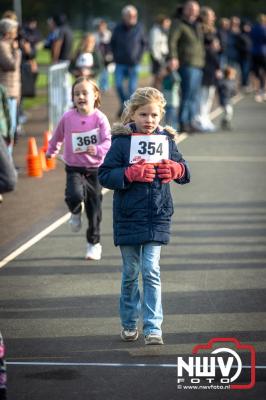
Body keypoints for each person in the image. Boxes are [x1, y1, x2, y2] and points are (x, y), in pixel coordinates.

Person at [98, 87, 190, 345]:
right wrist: (128, 174)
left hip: (157, 214)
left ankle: (152, 327)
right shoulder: (122, 142)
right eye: (143, 114)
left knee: (150, 269)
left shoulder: (167, 140)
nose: (148, 120)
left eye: (154, 115)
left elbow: (186, 173)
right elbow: (104, 174)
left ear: (161, 115)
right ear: (132, 114)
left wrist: (176, 169)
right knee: (130, 272)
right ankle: (129, 323)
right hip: (128, 216)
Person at [46, 77, 111, 260]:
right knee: (74, 195)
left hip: (95, 169)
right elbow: (57, 135)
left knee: (94, 208)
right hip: (74, 167)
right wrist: (51, 150)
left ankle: (93, 243)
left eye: (85, 93)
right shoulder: (68, 117)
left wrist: (97, 149)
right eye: (76, 94)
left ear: (95, 95)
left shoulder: (100, 118)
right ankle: (75, 211)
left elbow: (108, 141)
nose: (80, 96)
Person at [168, 0, 205, 133]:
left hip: (198, 63)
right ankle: (183, 122)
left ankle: (191, 120)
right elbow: (172, 41)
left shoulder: (198, 24)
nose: (193, 11)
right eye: (190, 8)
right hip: (187, 63)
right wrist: (173, 57)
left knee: (194, 95)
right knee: (186, 94)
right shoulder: (179, 23)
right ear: (184, 9)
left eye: (195, 9)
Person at [111, 5, 146, 116]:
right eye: (130, 15)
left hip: (133, 64)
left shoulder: (140, 28)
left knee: (132, 89)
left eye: (134, 15)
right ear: (124, 16)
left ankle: (127, 110)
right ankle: (125, 104)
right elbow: (112, 43)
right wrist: (114, 56)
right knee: (118, 85)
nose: (132, 17)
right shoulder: (117, 28)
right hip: (120, 63)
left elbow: (145, 44)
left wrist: (139, 57)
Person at [0, 18, 21, 156]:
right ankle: (7, 161)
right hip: (6, 90)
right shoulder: (2, 46)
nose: (16, 33)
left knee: (12, 127)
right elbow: (11, 66)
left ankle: (9, 159)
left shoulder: (7, 45)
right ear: (8, 31)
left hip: (13, 90)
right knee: (8, 128)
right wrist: (17, 52)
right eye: (14, 30)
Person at [149, 14, 171, 88]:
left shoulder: (164, 31)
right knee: (158, 77)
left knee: (161, 77)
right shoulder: (155, 31)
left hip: (163, 56)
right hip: (158, 58)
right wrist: (158, 59)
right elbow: (154, 45)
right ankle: (154, 93)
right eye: (166, 22)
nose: (168, 24)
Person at [95, 20, 113, 92]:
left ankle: (105, 86)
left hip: (106, 55)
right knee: (100, 71)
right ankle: (100, 86)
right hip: (98, 55)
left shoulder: (108, 34)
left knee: (106, 71)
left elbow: (109, 44)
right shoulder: (96, 34)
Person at [217, 66, 237, 130]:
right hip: (224, 100)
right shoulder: (223, 82)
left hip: (229, 100)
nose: (233, 76)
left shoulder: (232, 82)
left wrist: (234, 93)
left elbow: (233, 90)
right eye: (232, 75)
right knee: (228, 112)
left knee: (230, 113)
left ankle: (226, 123)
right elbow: (219, 88)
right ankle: (225, 122)